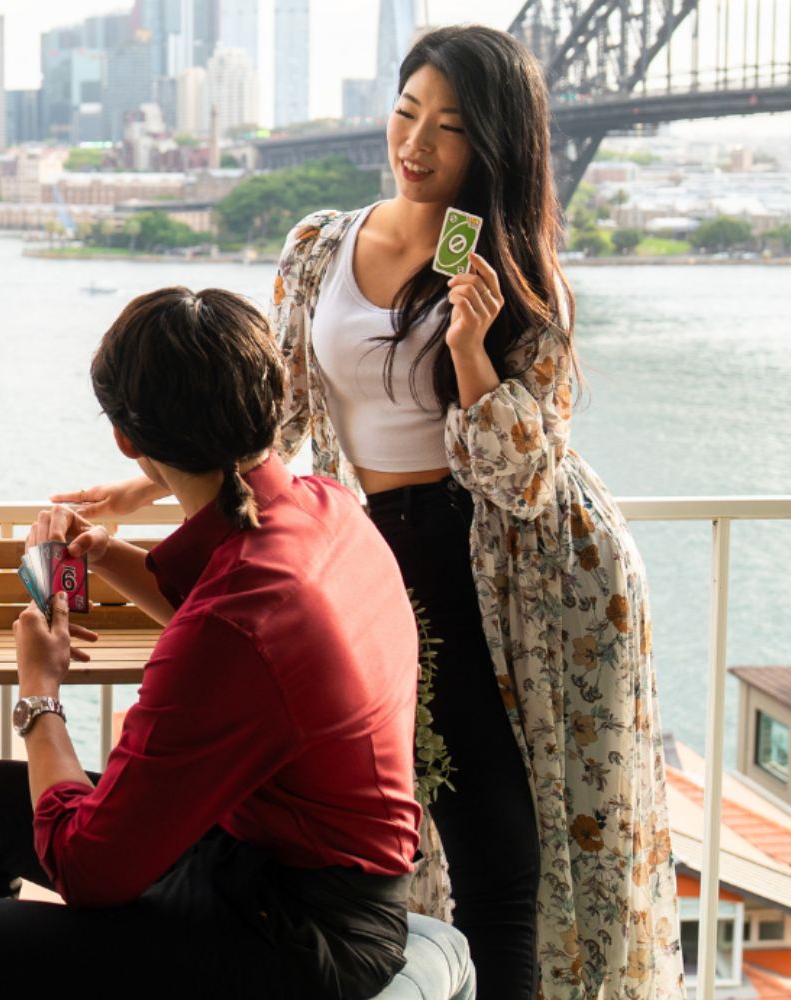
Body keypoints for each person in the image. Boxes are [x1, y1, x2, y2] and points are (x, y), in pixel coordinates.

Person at [53, 26, 681, 1000]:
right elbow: (282, 414)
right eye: (406, 113)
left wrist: (472, 347)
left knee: (502, 852)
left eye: (451, 128)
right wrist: (147, 481)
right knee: (385, 829)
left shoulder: (520, 280)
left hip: (507, 568)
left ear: (495, 147)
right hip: (370, 547)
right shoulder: (320, 248)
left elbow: (524, 477)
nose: (417, 143)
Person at [0, 287, 424, 999]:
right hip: (277, 869)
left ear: (127, 438)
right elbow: (228, 622)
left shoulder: (234, 623)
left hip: (302, 937)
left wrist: (39, 694)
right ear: (266, 398)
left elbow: (87, 870)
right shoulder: (324, 509)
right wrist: (108, 554)